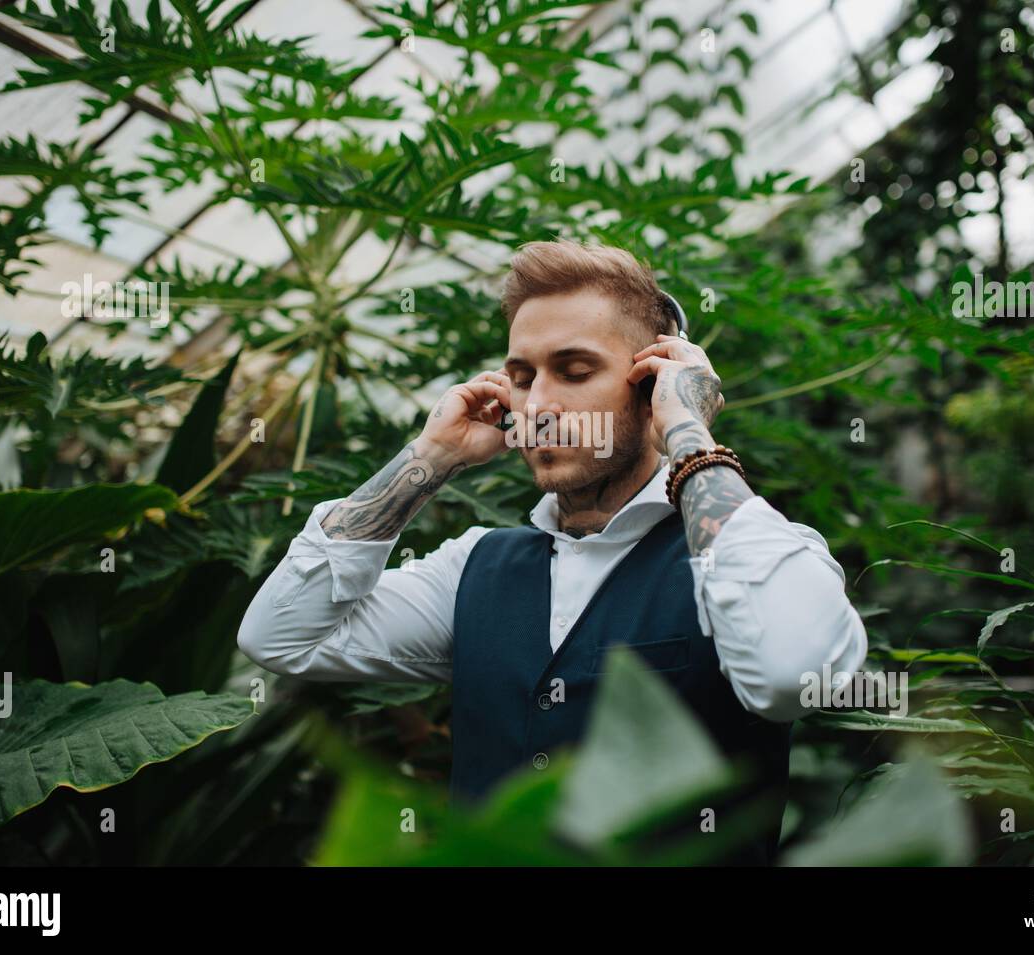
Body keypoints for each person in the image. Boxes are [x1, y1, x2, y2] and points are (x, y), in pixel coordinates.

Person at [237, 238, 868, 864]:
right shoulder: (473, 569)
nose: (536, 406)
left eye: (574, 371)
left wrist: (690, 436)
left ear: (652, 384)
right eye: (520, 377)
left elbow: (791, 676)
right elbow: (279, 637)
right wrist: (432, 458)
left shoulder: (751, 552)